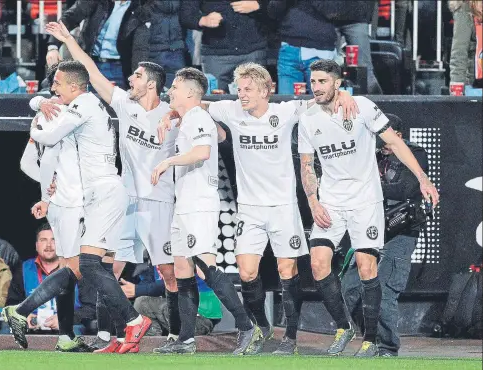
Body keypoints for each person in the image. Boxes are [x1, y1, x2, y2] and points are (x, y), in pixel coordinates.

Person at [158, 62, 357, 355]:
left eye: (248, 89)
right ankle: (260, 328)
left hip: (282, 207)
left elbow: (321, 98)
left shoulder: (285, 112)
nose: (242, 94)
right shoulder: (230, 110)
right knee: (247, 271)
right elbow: (196, 105)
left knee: (287, 270)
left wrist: (346, 95)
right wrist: (172, 112)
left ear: (266, 91)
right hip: (249, 209)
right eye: (239, 89)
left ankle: (290, 338)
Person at [43, 21, 181, 353]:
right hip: (126, 201)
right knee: (107, 268)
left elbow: (204, 113)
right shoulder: (124, 104)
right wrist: (67, 40)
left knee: (168, 271)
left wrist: (175, 113)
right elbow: (90, 72)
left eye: (135, 76)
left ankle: (178, 336)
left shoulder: (171, 113)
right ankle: (113, 337)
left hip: (160, 201)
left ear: (150, 83)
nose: (129, 79)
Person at [297, 59, 439, 357]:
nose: (317, 87)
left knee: (366, 267)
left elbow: (397, 144)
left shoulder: (360, 106)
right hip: (331, 201)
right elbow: (307, 165)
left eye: (323, 81)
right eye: (313, 82)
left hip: (364, 200)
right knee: (318, 264)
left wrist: (423, 179)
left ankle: (372, 340)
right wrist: (313, 200)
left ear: (337, 83)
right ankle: (343, 326)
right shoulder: (307, 116)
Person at [12, 60, 152, 355]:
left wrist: (33, 129)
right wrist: (39, 102)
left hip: (102, 192)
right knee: (101, 268)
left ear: (74, 87)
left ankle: (134, 320)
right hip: (102, 193)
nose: (54, 88)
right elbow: (45, 102)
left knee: (86, 264)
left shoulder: (84, 104)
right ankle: (121, 336)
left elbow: (48, 135)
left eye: (58, 84)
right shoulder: (82, 104)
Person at [150, 67, 263, 355]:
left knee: (204, 266)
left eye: (175, 86)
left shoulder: (198, 117)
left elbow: (203, 152)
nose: (170, 91)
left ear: (189, 92)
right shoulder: (189, 117)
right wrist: (170, 116)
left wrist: (167, 162)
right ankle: (186, 339)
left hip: (199, 203)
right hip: (184, 202)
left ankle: (247, 325)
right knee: (183, 270)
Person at [341, 114, 429, 357]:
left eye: (383, 138)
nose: (380, 144)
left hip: (400, 231)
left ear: (397, 135)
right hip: (369, 228)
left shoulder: (415, 154)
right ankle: (371, 339)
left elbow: (406, 190)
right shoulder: (372, 154)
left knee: (386, 290)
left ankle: (387, 348)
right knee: (350, 287)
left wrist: (367, 184)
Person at [4, 224, 83, 336]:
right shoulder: (23, 269)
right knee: (9, 328)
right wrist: (23, 316)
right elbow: (11, 302)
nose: (49, 245)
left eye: (53, 240)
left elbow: (90, 309)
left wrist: (68, 318)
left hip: (68, 325)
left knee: (74, 330)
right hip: (32, 326)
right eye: (43, 240)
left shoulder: (77, 269)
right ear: (36, 245)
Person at [179, 0, 269, 93]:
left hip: (253, 52)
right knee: (215, 104)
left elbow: (278, 6)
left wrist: (259, 5)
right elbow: (186, 15)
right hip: (216, 56)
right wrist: (202, 20)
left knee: (255, 102)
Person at [45, 0, 139, 89]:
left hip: (119, 68)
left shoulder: (141, 6)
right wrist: (53, 47)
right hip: (87, 64)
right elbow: (70, 17)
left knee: (114, 104)